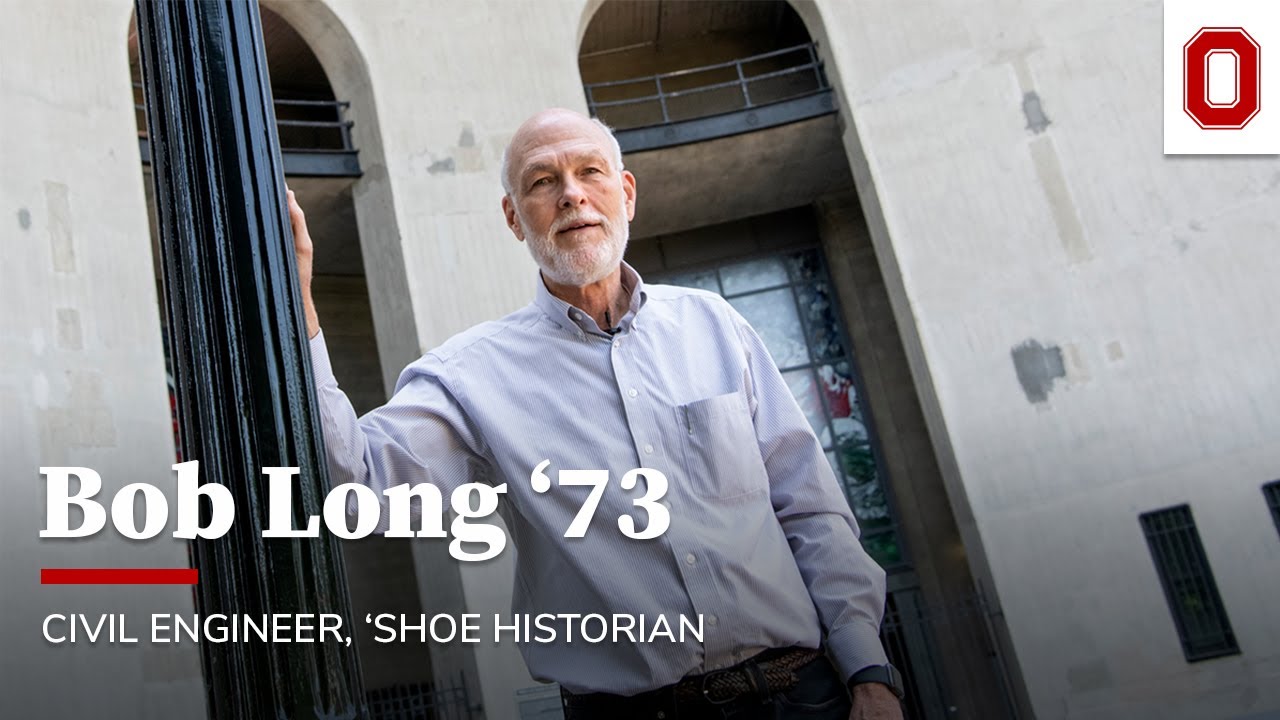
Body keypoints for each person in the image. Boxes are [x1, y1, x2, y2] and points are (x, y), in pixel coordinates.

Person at [289, 108, 904, 720]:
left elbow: (809, 507)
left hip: (802, 696)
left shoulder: (715, 326)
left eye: (590, 171)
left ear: (626, 193)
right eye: (542, 181)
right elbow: (354, 489)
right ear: (514, 217)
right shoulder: (467, 377)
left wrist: (869, 673)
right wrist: (298, 312)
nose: (572, 195)